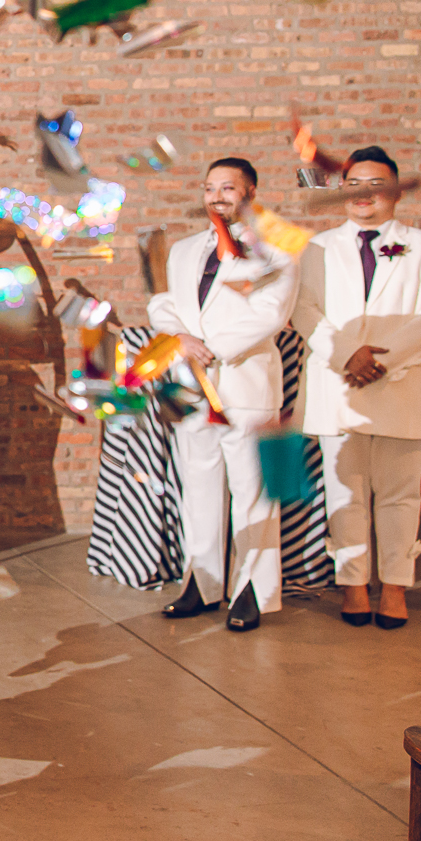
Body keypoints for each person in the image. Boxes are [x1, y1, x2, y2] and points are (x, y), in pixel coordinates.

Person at [290, 147, 421, 629]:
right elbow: (303, 309)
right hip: (339, 382)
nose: (364, 194)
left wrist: (382, 359)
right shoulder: (317, 248)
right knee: (345, 492)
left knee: (401, 494)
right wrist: (347, 355)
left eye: (376, 184)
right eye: (354, 184)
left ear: (396, 191)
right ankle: (354, 585)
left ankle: (396, 586)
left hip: (403, 383)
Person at [148, 157, 299, 632]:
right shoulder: (184, 250)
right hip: (191, 388)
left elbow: (271, 313)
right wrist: (180, 339)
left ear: (250, 193)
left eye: (228, 188)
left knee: (253, 493)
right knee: (198, 488)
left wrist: (210, 348)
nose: (217, 197)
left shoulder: (275, 250)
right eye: (210, 188)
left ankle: (253, 589)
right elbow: (163, 303)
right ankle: (202, 582)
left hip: (245, 384)